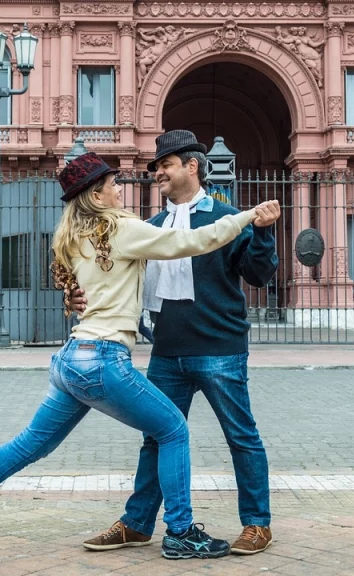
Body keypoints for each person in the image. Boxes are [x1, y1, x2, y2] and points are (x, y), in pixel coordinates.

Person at [0, 151, 281, 561]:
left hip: (71, 360)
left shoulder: (74, 236)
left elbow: (86, 289)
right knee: (173, 431)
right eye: (112, 184)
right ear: (97, 195)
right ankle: (180, 532)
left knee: (29, 445)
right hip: (104, 359)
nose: (119, 189)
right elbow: (195, 241)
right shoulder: (123, 228)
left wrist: (74, 295)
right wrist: (247, 216)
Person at [73, 130, 280, 556]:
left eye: (165, 165)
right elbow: (111, 277)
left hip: (220, 350)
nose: (157, 173)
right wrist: (75, 294)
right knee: (156, 438)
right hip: (166, 352)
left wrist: (262, 233)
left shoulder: (226, 218)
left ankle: (257, 524)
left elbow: (259, 275)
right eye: (155, 167)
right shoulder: (149, 228)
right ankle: (137, 523)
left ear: (192, 166)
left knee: (241, 437)